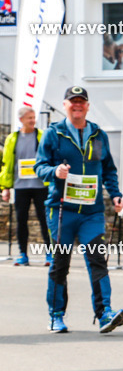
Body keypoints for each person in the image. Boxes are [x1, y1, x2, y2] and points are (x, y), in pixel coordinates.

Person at [34, 86, 123, 334]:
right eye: (73, 101)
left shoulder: (98, 135)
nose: (77, 105)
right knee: (60, 263)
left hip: (91, 212)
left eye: (81, 102)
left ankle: (105, 312)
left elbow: (108, 169)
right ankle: (56, 316)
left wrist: (116, 194)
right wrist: (54, 171)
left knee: (97, 259)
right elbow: (39, 166)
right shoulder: (53, 134)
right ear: (64, 105)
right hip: (62, 210)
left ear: (87, 106)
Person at [1, 106, 51, 266]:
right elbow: (8, 165)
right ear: (21, 119)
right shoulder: (12, 139)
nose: (33, 120)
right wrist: (5, 188)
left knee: (45, 220)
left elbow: (50, 159)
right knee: (20, 220)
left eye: (34, 117)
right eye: (29, 117)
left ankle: (50, 255)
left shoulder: (42, 136)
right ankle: (23, 254)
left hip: (41, 186)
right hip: (20, 186)